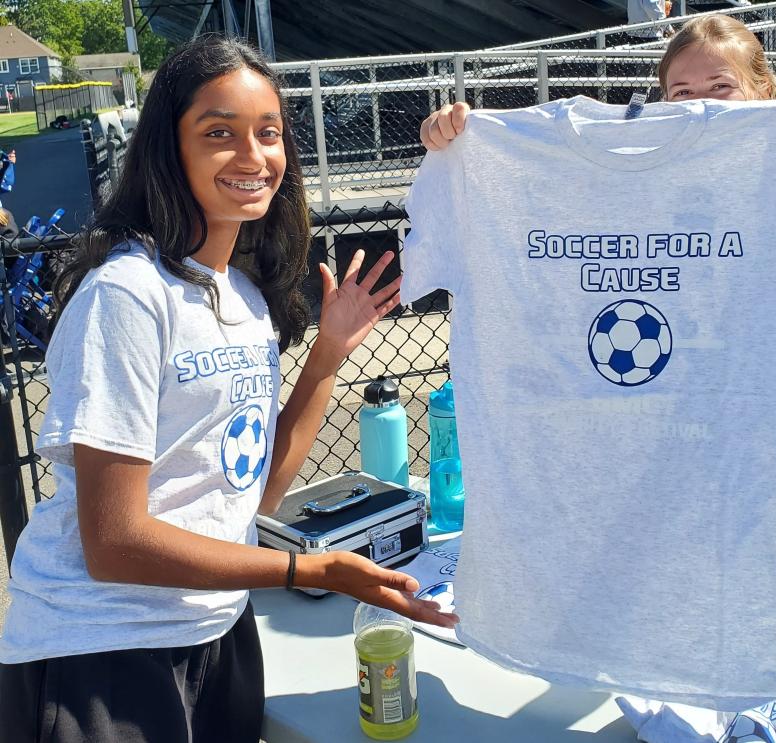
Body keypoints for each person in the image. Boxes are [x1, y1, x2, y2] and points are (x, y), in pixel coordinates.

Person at [0, 35, 455, 743]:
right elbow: (113, 541)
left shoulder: (241, 297)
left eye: (268, 133)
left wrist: (329, 352)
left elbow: (253, 494)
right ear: (167, 149)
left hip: (218, 633)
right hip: (102, 653)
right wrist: (309, 567)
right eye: (220, 133)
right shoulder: (126, 293)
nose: (253, 155)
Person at [420, 14, 776, 252]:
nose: (701, 100)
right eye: (681, 91)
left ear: (762, 91)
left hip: (754, 415)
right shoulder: (639, 166)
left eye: (721, 85)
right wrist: (464, 147)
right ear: (662, 100)